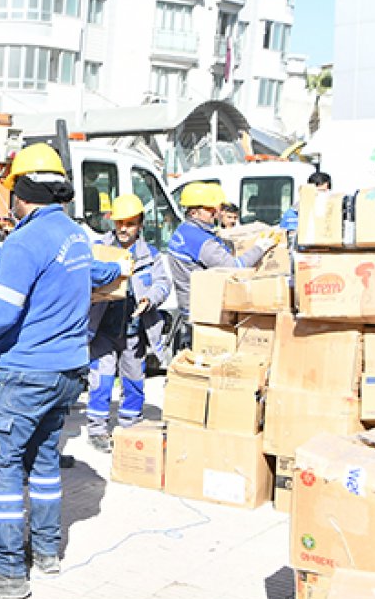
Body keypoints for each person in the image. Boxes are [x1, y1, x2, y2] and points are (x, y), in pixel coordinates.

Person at [0, 143, 119, 599]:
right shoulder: (76, 235)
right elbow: (99, 274)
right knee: (42, 461)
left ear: (22, 189)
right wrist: (120, 268)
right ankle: (46, 552)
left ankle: (6, 570)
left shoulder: (24, 239)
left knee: (0, 463)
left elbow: (2, 312)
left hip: (28, 373)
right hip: (67, 372)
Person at [84, 194, 172, 453]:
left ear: (140, 224)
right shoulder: (99, 250)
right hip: (103, 328)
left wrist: (150, 298)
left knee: (134, 378)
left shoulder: (150, 255)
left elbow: (163, 284)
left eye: (130, 223)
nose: (124, 229)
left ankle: (130, 424)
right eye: (120, 223)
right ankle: (97, 429)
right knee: (102, 378)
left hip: (134, 330)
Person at [167, 181, 275, 349]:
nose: (216, 213)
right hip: (203, 312)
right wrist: (260, 248)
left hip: (191, 307)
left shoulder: (184, 230)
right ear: (194, 212)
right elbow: (234, 267)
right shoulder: (200, 241)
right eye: (210, 209)